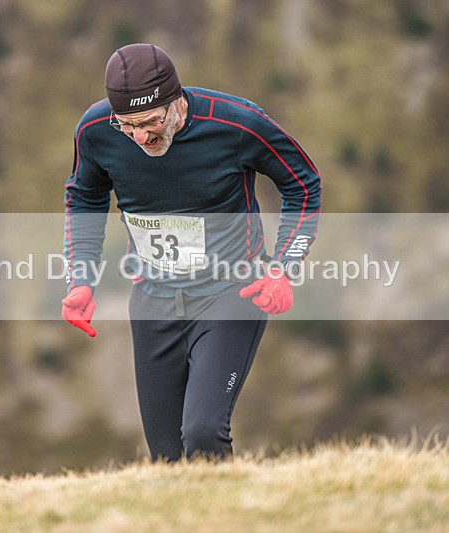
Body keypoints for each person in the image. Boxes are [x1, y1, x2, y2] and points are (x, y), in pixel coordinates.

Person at [61, 43, 321, 462]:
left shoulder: (238, 124)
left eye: (150, 122)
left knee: (202, 433)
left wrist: (283, 267)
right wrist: (81, 279)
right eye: (127, 126)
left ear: (176, 101)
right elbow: (84, 198)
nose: (141, 137)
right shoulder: (95, 131)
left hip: (230, 293)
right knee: (166, 459)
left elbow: (303, 184)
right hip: (153, 300)